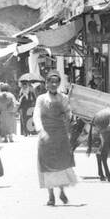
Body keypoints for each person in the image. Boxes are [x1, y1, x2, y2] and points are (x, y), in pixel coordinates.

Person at [35, 72, 79, 206]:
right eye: (51, 82)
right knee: (46, 165)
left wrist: (70, 116)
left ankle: (61, 190)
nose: (54, 85)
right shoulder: (41, 99)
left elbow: (68, 111)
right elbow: (37, 114)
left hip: (60, 134)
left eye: (56, 82)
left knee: (61, 164)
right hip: (46, 135)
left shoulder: (63, 98)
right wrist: (40, 130)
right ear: (46, 84)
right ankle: (50, 195)